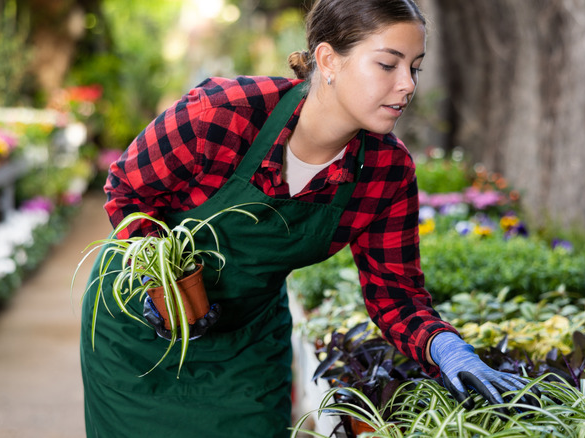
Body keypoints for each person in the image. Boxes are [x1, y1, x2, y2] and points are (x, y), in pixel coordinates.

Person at [80, 0, 533, 436]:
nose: (408, 85)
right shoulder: (224, 113)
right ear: (329, 60)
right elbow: (127, 190)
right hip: (136, 335)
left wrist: (448, 349)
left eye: (414, 67)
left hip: (247, 345)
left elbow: (395, 294)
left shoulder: (386, 172)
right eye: (388, 64)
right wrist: (160, 282)